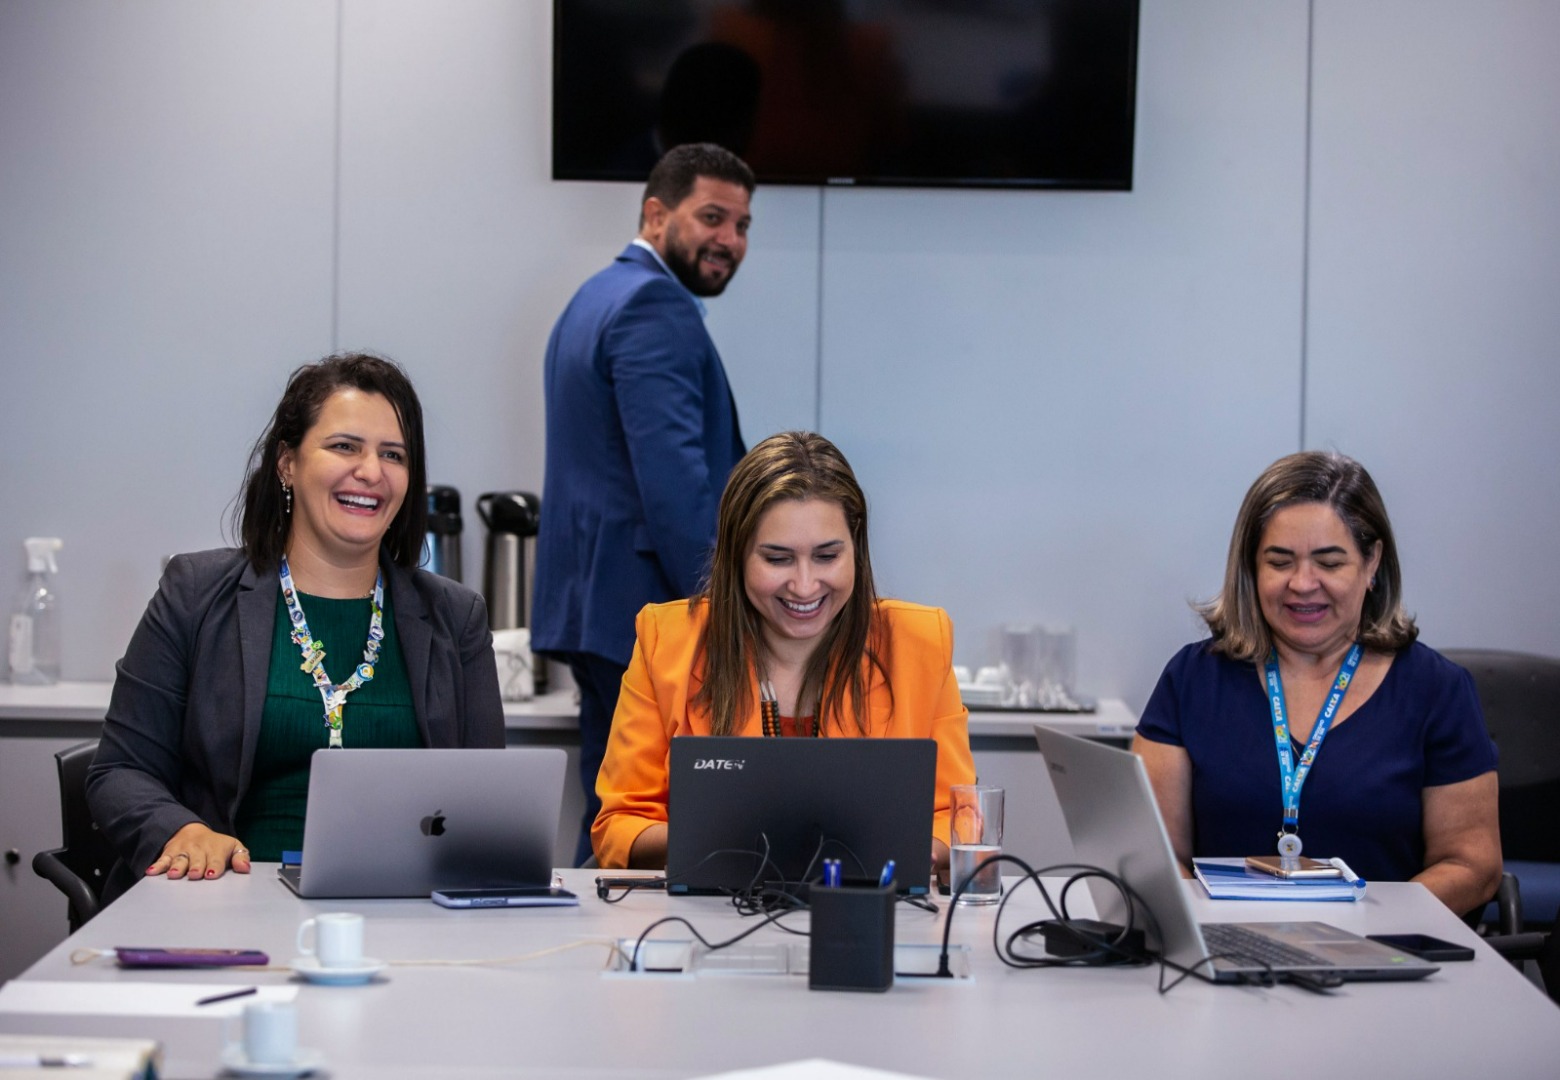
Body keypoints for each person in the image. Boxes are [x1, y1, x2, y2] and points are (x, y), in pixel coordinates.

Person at [87, 353, 505, 901]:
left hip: (404, 911)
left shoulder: (456, 618)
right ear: (287, 464)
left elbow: (493, 804)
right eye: (344, 446)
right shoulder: (194, 592)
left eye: (393, 455)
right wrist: (182, 831)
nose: (372, 472)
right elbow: (119, 770)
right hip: (223, 903)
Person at [1133, 451, 1500, 915]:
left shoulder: (1437, 692)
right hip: (1225, 956)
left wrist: (1360, 929)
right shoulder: (1192, 680)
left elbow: (1472, 866)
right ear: (1251, 568)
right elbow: (1157, 856)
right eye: (1280, 561)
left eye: (1329, 562)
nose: (1303, 584)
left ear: (1372, 564)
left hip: (1383, 960)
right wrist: (1216, 930)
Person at [592, 431, 976, 874]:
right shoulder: (667, 640)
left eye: (827, 556)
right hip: (711, 920)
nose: (805, 585)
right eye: (778, 559)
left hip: (871, 914)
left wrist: (910, 847)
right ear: (736, 557)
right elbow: (618, 826)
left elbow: (960, 816)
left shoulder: (920, 643)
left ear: (856, 549)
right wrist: (727, 840)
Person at [533, 142, 754, 864]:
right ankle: (615, 968)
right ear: (656, 214)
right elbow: (678, 489)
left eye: (743, 225)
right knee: (643, 821)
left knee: (611, 805)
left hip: (598, 606)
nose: (730, 239)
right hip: (652, 608)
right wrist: (726, 613)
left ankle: (587, 965)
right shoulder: (656, 307)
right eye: (713, 217)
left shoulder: (597, 294)